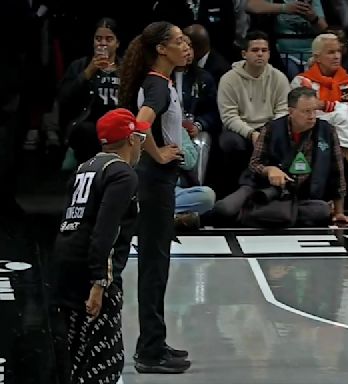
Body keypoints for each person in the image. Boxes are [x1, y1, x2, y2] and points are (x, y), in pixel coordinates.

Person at [52, 108, 149, 384]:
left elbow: (69, 221)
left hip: (65, 264)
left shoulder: (84, 168)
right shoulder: (122, 174)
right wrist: (100, 282)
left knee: (75, 356)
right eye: (139, 135)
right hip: (90, 269)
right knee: (104, 362)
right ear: (131, 140)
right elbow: (106, 231)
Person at [118, 21, 191, 374]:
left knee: (157, 266)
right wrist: (157, 153)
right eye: (178, 41)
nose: (186, 45)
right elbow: (139, 123)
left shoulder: (161, 83)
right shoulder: (157, 85)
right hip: (154, 183)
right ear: (162, 49)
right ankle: (148, 352)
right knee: (153, 268)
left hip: (158, 182)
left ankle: (155, 340)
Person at [215, 87, 348, 226]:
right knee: (224, 209)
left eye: (314, 110)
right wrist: (269, 170)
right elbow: (254, 164)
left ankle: (253, 216)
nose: (312, 116)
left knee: (322, 210)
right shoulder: (271, 128)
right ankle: (270, 214)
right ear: (291, 112)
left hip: (301, 196)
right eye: (306, 111)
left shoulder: (327, 131)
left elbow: (338, 173)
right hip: (262, 191)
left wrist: (339, 212)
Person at [292, 33, 348, 200]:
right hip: (311, 133)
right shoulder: (302, 82)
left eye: (338, 51)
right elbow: (304, 113)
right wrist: (336, 109)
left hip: (341, 131)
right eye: (330, 52)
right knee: (340, 118)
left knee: (340, 123)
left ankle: (334, 203)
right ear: (317, 57)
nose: (336, 56)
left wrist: (327, 106)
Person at [217, 30, 290, 196]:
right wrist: (251, 133)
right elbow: (229, 117)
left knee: (285, 136)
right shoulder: (229, 79)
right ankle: (234, 190)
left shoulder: (279, 78)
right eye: (255, 50)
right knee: (230, 142)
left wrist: (266, 132)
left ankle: (275, 189)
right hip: (241, 129)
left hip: (270, 127)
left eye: (264, 51)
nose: (260, 54)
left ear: (269, 54)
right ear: (244, 54)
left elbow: (283, 110)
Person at [59, 17, 122, 164]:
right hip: (90, 126)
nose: (103, 43)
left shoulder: (126, 67)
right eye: (98, 38)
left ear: (117, 43)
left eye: (109, 39)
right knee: (86, 131)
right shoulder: (80, 66)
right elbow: (63, 97)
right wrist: (88, 73)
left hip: (119, 125)